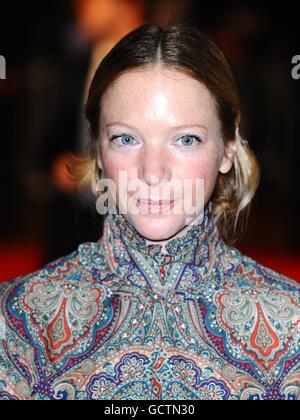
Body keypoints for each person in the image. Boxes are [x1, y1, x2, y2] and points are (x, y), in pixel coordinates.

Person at [0, 24, 299, 400]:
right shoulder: (17, 323)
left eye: (185, 139)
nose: (152, 172)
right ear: (96, 146)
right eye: (126, 138)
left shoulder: (291, 327)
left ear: (227, 146)